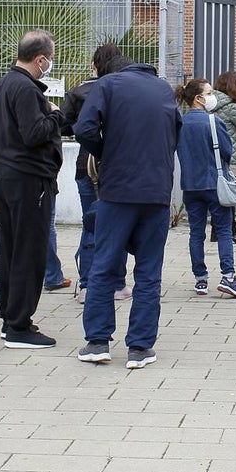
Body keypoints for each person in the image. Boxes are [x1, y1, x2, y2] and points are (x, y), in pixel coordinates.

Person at [75, 58, 181, 370]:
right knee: (148, 271)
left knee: (104, 265)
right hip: (156, 191)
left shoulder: (108, 85)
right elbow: (176, 133)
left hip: (117, 191)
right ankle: (140, 347)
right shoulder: (164, 90)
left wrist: (106, 151)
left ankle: (97, 342)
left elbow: (84, 129)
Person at [0, 30, 66, 350]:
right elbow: (35, 133)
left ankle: (11, 318)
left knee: (11, 248)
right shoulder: (24, 88)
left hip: (9, 174)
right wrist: (56, 114)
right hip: (29, 178)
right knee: (28, 251)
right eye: (49, 58)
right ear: (40, 59)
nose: (49, 64)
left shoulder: (5, 83)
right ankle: (19, 324)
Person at [60, 45, 132, 304]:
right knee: (120, 224)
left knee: (92, 223)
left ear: (94, 65)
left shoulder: (79, 91)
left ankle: (87, 284)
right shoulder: (125, 91)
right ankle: (117, 283)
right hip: (116, 167)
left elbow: (65, 124)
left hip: (86, 164)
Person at [175, 78, 236, 299]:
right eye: (208, 93)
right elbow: (227, 151)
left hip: (190, 184)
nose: (212, 96)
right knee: (224, 230)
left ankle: (200, 279)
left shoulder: (180, 123)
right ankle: (228, 276)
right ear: (198, 98)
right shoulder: (213, 122)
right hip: (215, 183)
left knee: (196, 233)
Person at [208, 71, 236, 245]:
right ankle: (231, 231)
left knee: (220, 195)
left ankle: (216, 232)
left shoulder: (212, 104)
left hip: (216, 155)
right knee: (230, 195)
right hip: (233, 155)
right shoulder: (232, 107)